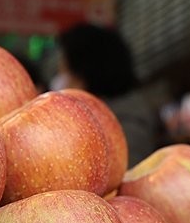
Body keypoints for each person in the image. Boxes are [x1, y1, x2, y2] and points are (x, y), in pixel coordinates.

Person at [55, 22, 157, 165]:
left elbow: (123, 169)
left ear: (83, 74)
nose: (61, 78)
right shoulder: (91, 115)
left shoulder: (128, 122)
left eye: (65, 70)